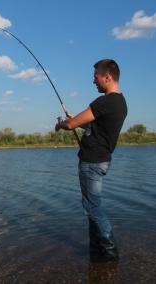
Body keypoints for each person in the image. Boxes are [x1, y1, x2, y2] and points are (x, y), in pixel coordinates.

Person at [55, 59, 127, 261]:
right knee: (91, 206)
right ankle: (97, 251)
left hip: (92, 162)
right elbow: (91, 129)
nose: (93, 81)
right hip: (101, 160)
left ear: (107, 77)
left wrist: (62, 124)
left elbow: (71, 125)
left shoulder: (105, 102)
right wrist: (74, 122)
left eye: (95, 77)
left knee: (92, 207)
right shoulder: (120, 103)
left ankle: (110, 252)